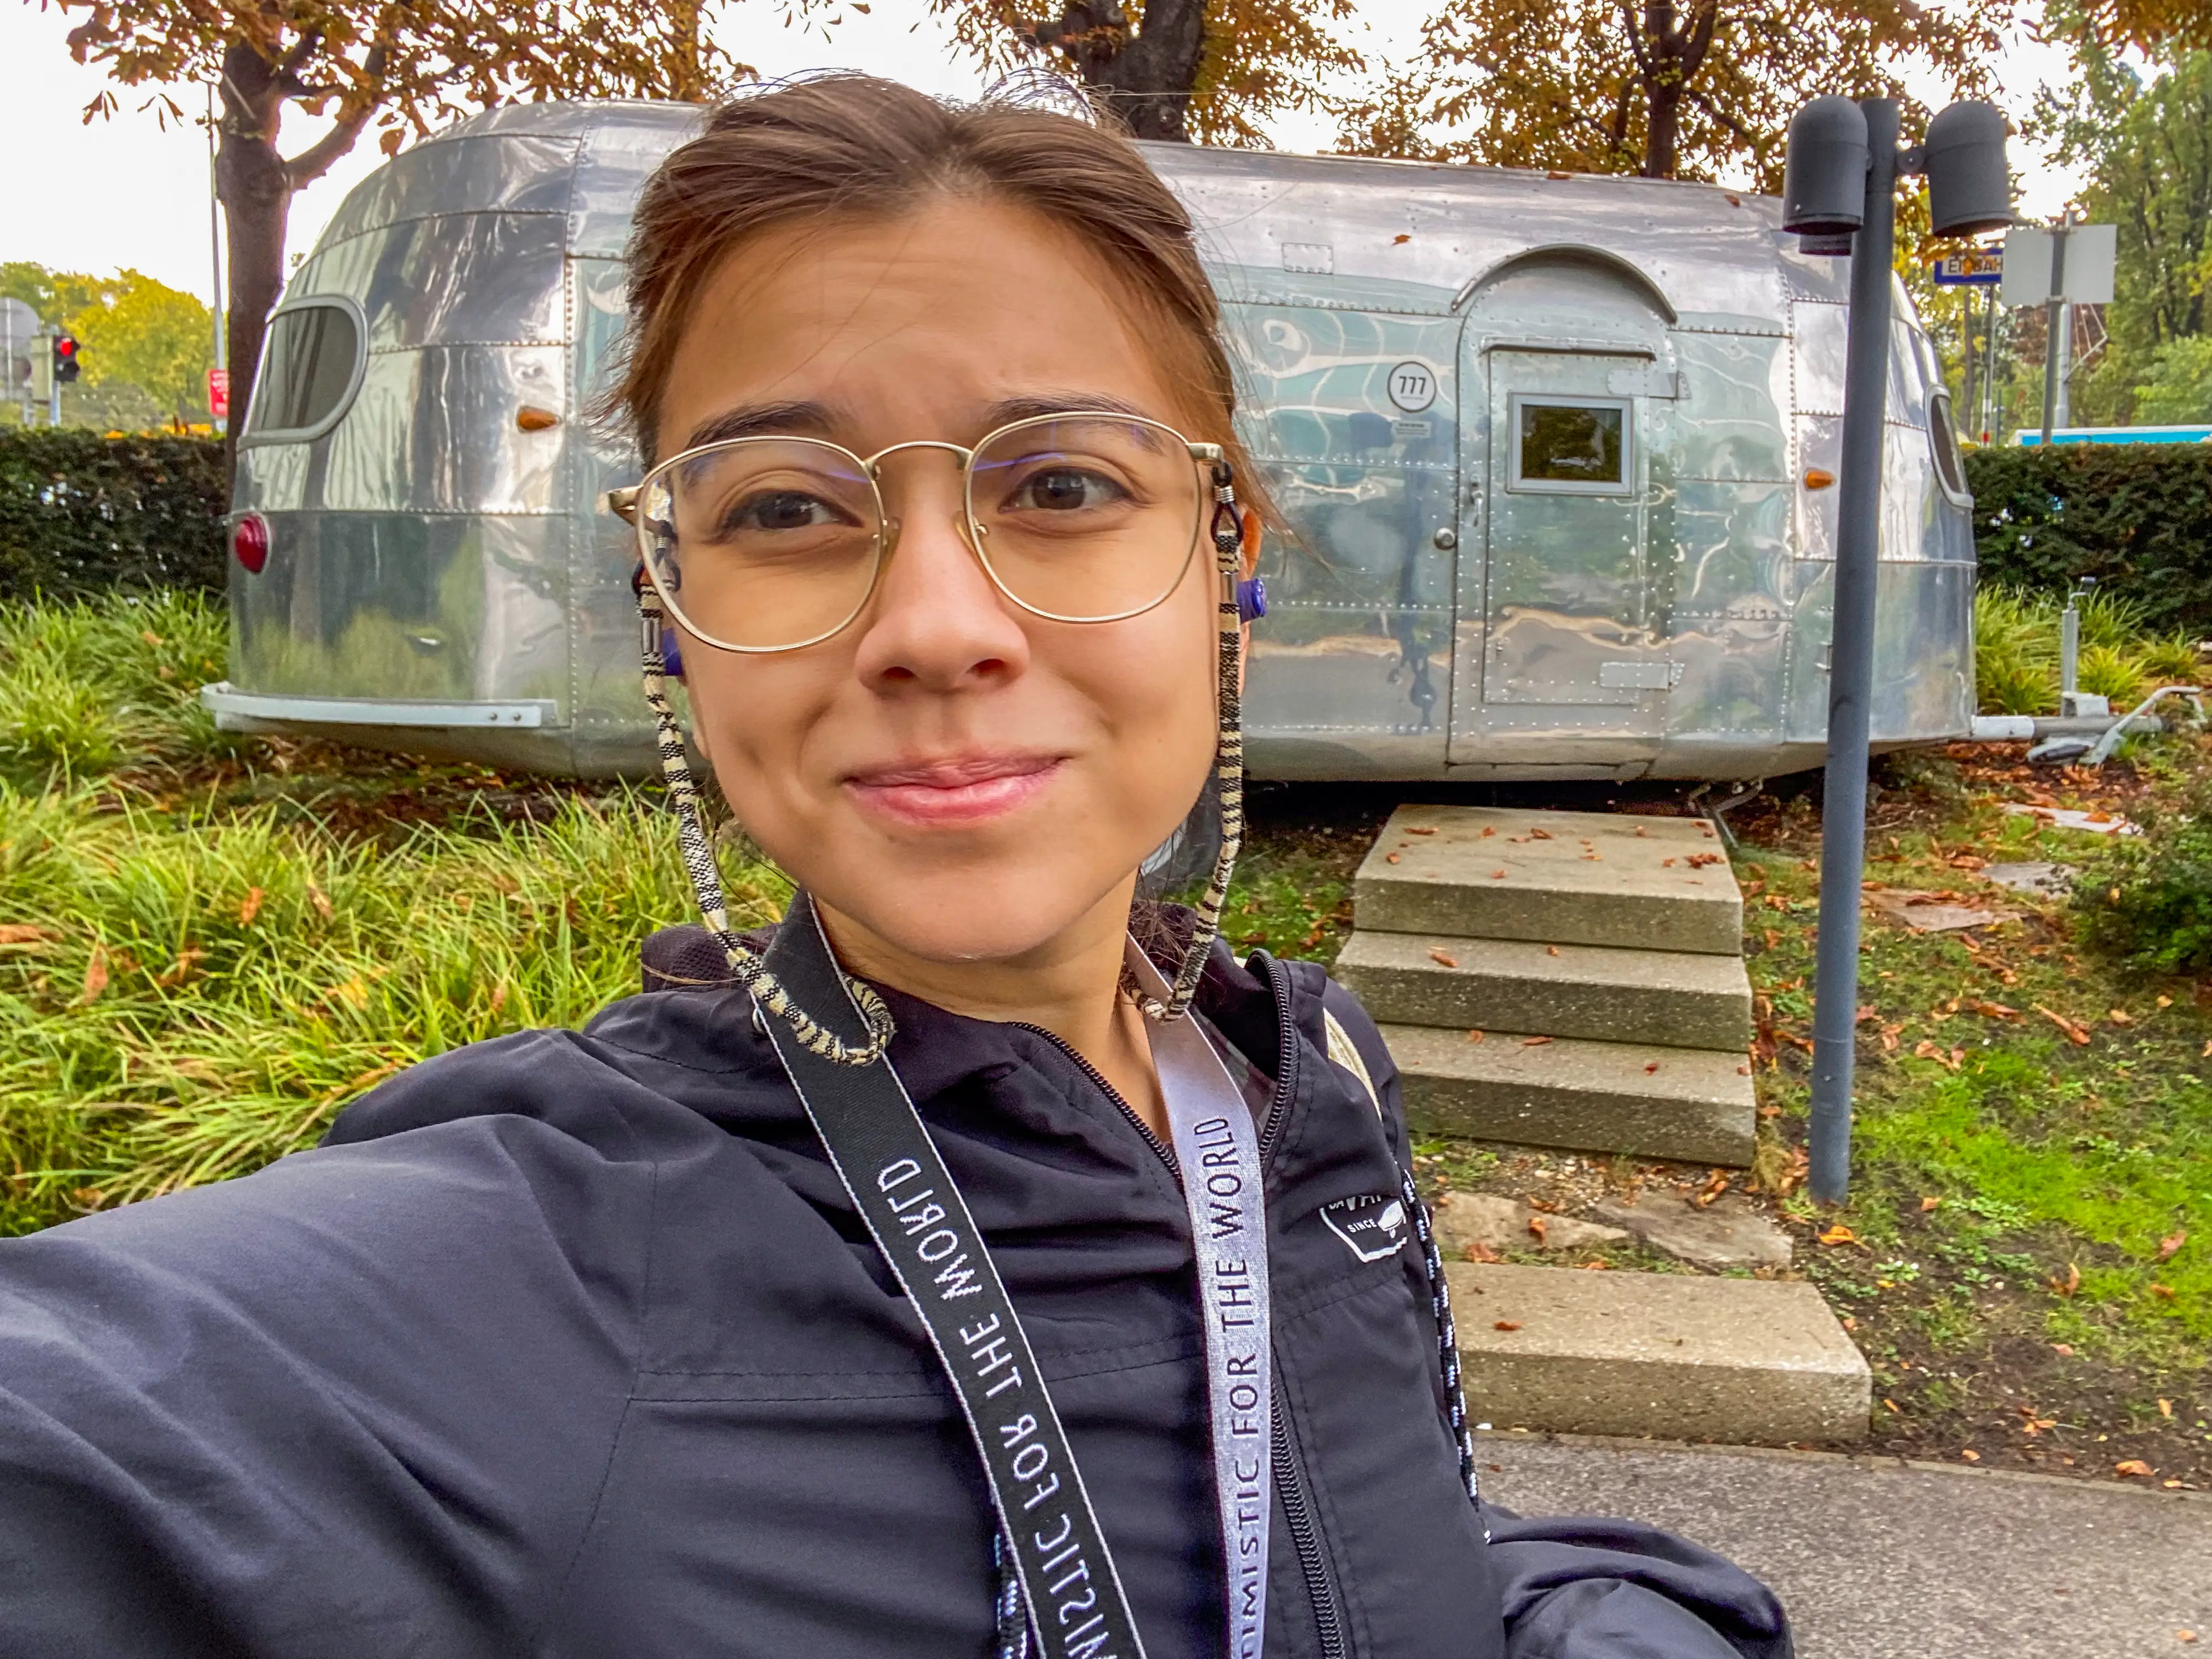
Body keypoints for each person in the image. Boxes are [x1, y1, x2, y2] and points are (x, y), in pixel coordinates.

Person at [0, 76, 1791, 1659]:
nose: (936, 626)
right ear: (674, 607)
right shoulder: (529, 1261)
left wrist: (1593, 1614)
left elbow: (1323, 1541)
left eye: (1064, 486)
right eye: (784, 507)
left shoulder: (1303, 1082)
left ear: (1226, 555)